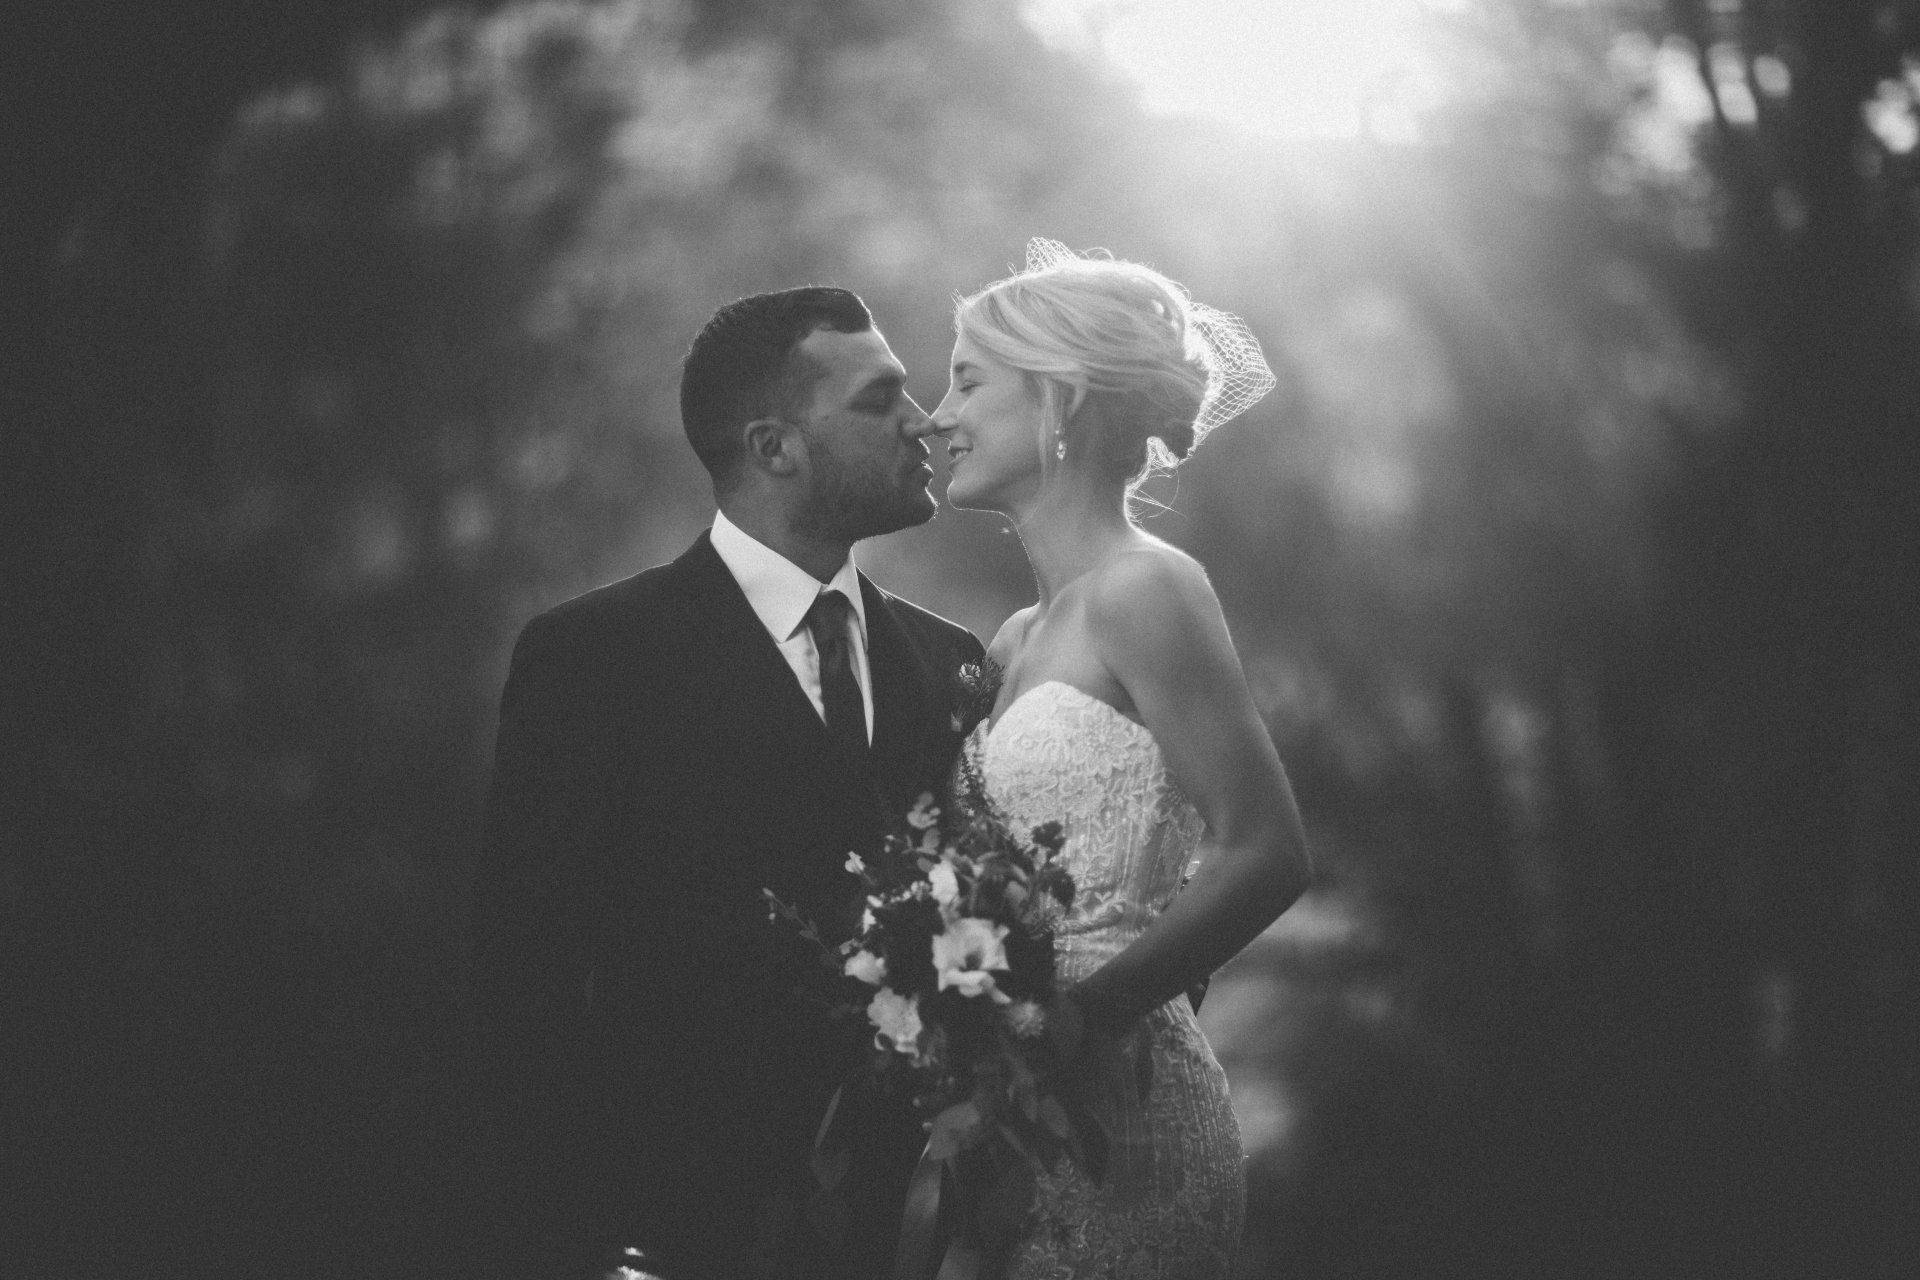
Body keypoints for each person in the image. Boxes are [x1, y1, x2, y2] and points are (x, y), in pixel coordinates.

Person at [471, 286, 985, 1280]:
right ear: (773, 446)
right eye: (879, 399)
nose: (922, 420)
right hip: (675, 1231)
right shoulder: (595, 658)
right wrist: (576, 1246)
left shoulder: (951, 660)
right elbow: (524, 980)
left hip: (904, 1238)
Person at [928, 240, 1312, 1277]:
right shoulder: (1012, 640)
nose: (936, 415)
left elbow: (1266, 849)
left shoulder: (1149, 588)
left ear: (1058, 396)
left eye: (966, 381)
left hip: (1123, 1118)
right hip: (1008, 1126)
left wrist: (1082, 1021)